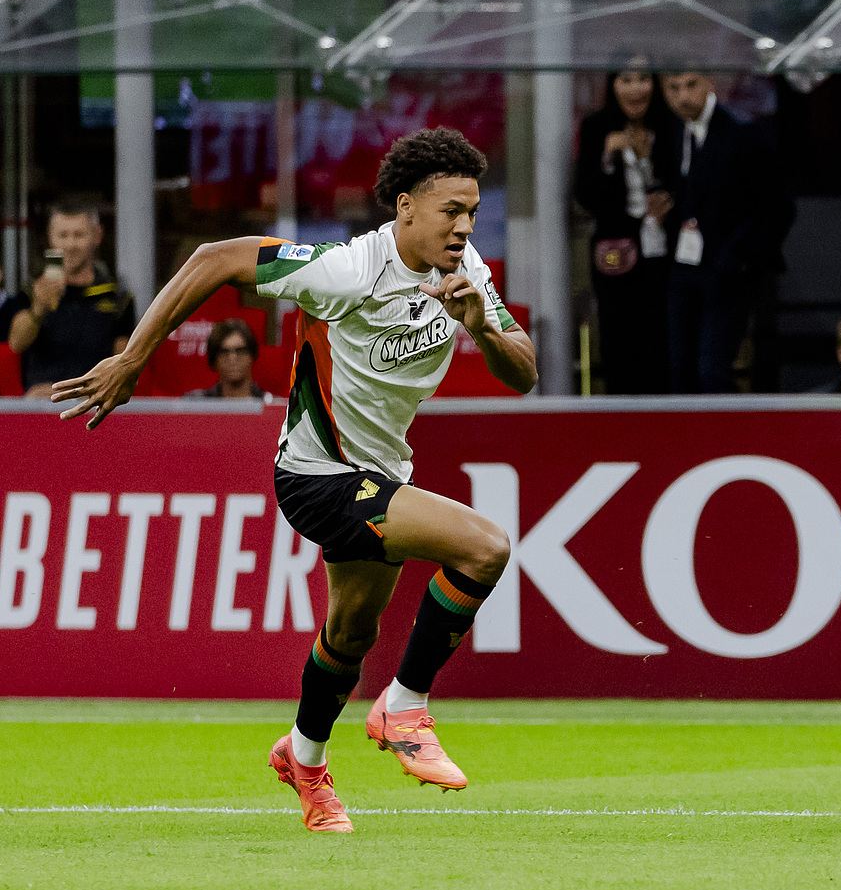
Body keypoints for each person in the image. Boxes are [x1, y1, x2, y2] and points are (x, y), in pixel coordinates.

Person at [51, 128, 537, 836]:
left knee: (350, 633)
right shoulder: (344, 269)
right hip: (318, 476)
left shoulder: (468, 275)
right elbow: (214, 259)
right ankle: (403, 707)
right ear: (405, 207)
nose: (464, 225)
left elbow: (523, 373)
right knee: (484, 548)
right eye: (449, 211)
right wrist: (132, 360)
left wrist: (483, 330)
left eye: (471, 210)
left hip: (380, 471)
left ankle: (304, 762)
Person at [655, 70, 792, 392]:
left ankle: (725, 441)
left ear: (710, 84)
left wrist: (742, 258)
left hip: (727, 269)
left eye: (691, 84)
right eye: (673, 88)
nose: (682, 96)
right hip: (682, 267)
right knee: (678, 369)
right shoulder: (673, 131)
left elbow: (779, 207)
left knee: (712, 371)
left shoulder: (743, 133)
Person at [573, 64, 671, 395]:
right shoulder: (596, 127)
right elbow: (584, 195)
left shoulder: (669, 126)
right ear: (613, 85)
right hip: (614, 251)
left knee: (658, 338)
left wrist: (646, 161)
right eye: (626, 80)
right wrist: (606, 157)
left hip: (666, 251)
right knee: (617, 337)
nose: (635, 89)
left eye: (643, 79)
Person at [5, 200, 135, 399]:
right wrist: (38, 308)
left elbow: (124, 363)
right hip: (41, 402)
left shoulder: (117, 296)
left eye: (79, 235)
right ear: (50, 237)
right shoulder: (31, 291)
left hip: (94, 401)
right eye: (63, 235)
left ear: (97, 236)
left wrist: (89, 391)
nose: (70, 244)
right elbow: (16, 344)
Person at [183, 318, 272, 400]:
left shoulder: (272, 404)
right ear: (214, 361)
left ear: (251, 355)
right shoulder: (195, 404)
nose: (232, 358)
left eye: (240, 350)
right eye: (224, 352)